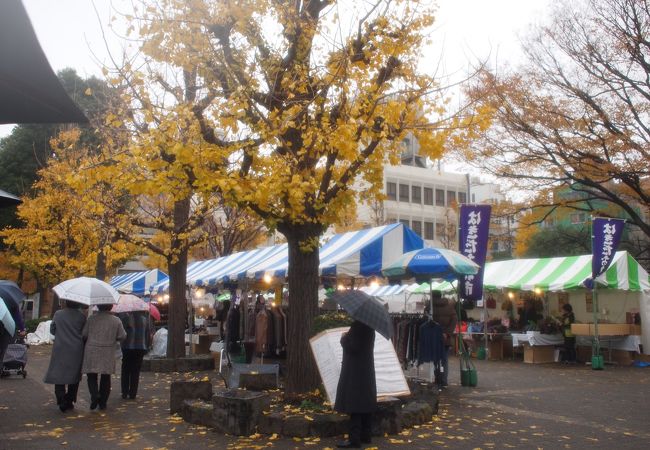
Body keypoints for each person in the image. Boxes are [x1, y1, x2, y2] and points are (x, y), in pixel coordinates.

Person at [335, 320, 376, 449]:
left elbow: (354, 347)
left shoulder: (358, 325)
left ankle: (354, 440)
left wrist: (344, 338)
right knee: (365, 403)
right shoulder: (370, 326)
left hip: (356, 371)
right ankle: (366, 436)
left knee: (355, 405)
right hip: (366, 370)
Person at [43, 300, 87, 412]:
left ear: (66, 303)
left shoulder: (58, 314)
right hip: (76, 349)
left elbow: (53, 330)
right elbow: (85, 333)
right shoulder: (82, 316)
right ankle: (70, 399)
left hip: (60, 346)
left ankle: (61, 398)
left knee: (59, 373)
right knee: (74, 374)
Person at [82, 304, 126, 410]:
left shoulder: (91, 319)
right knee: (106, 376)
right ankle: (103, 402)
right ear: (111, 307)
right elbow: (122, 336)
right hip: (108, 350)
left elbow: (84, 334)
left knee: (91, 375)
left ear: (98, 306)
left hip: (92, 349)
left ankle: (94, 395)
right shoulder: (116, 320)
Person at [118, 310, 151, 400]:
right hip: (140, 348)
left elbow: (122, 334)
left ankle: (124, 392)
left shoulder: (126, 319)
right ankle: (133, 393)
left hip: (127, 347)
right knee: (135, 371)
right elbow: (148, 335)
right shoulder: (145, 320)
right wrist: (147, 346)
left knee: (125, 370)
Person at [430, 290, 457, 388]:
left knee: (435, 359)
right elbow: (454, 320)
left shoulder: (430, 307)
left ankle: (437, 379)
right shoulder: (449, 306)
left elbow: (427, 321)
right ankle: (444, 380)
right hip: (445, 337)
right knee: (444, 360)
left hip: (433, 337)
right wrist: (447, 332)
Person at [0, 296, 26, 364]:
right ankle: (3, 367)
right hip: (7, 328)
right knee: (5, 350)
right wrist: (22, 329)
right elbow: (17, 316)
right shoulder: (11, 300)